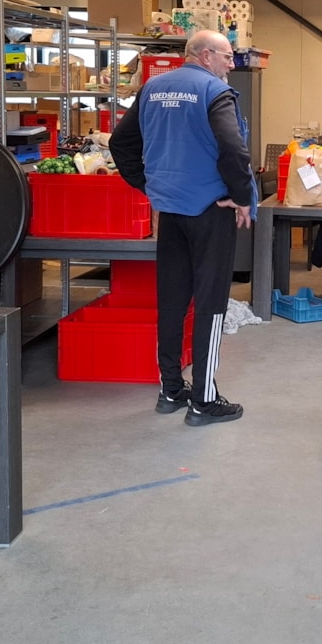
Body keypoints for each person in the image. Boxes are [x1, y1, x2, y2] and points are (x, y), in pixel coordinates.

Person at [110, 31, 254, 425]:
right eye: (228, 56)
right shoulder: (214, 92)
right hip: (210, 210)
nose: (232, 64)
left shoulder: (152, 88)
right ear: (206, 55)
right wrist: (242, 196)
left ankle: (171, 388)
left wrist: (147, 184)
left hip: (169, 212)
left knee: (172, 302)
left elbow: (119, 143)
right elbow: (233, 147)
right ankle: (204, 400)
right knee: (210, 305)